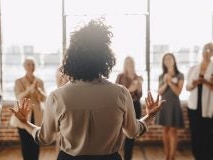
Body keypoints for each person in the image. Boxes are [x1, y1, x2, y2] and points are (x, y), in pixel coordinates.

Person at [11, 20, 164, 160]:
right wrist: (150, 116)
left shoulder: (58, 96)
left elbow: (45, 138)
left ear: (70, 59)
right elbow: (133, 132)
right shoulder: (120, 93)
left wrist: (24, 123)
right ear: (106, 58)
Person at [14, 58, 46, 160]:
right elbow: (19, 97)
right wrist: (29, 89)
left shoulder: (40, 81)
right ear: (24, 66)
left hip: (37, 116)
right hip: (23, 115)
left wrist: (38, 90)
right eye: (28, 64)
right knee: (25, 142)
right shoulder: (18, 81)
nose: (31, 66)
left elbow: (44, 98)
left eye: (32, 64)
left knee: (36, 141)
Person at [186, 42, 213, 160]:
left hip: (208, 107)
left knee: (207, 133)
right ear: (202, 51)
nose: (207, 52)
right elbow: (187, 87)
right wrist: (193, 84)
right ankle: (197, 156)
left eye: (210, 50)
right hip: (194, 106)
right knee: (195, 133)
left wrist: (206, 82)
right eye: (205, 49)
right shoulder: (193, 68)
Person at [155, 53, 184, 160]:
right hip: (164, 104)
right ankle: (167, 155)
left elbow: (178, 92)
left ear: (174, 60)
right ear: (163, 62)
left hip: (174, 105)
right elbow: (159, 91)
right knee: (165, 130)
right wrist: (166, 82)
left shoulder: (180, 75)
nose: (168, 60)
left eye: (169, 58)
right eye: (165, 59)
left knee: (173, 130)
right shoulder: (161, 76)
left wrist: (170, 81)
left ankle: (172, 156)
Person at [116, 56, 143, 160]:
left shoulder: (137, 77)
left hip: (135, 106)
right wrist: (131, 89)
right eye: (127, 63)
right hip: (122, 106)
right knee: (118, 133)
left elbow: (140, 95)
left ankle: (128, 158)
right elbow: (117, 94)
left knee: (131, 135)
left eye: (131, 63)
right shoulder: (120, 77)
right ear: (124, 65)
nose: (129, 65)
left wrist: (139, 87)